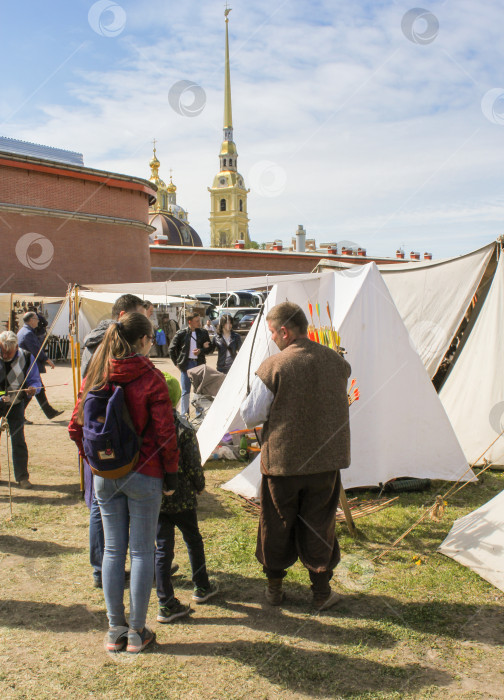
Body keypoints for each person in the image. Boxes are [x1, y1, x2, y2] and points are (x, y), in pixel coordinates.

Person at [68, 313, 179, 654]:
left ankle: (114, 629)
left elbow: (75, 426)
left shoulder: (97, 373)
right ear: (146, 340)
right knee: (143, 550)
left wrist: (95, 462)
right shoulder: (152, 378)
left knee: (114, 550)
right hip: (145, 473)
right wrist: (171, 474)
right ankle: (136, 631)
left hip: (106, 475)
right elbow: (165, 433)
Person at [240, 302, 351, 610]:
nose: (273, 338)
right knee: (320, 524)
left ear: (285, 331)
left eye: (273, 333)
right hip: (325, 463)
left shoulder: (275, 365)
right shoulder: (337, 362)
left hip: (284, 464)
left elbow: (250, 416)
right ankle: (321, 593)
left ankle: (274, 591)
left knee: (276, 524)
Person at [79, 293, 148, 590]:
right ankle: (103, 569)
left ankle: (109, 568)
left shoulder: (99, 342)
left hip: (100, 435)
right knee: (102, 505)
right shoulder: (106, 347)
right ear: (123, 317)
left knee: (106, 504)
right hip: (109, 435)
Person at [155, 374, 218, 624]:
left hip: (158, 499)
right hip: (182, 498)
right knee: (193, 540)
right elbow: (193, 463)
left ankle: (164, 601)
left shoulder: (148, 427)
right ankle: (201, 586)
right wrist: (199, 485)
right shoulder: (183, 428)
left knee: (163, 549)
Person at [0, 331, 42, 488]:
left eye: (8, 352)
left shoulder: (26, 356)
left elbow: (35, 381)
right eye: (2, 351)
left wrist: (33, 389)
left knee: (18, 441)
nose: (5, 355)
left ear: (16, 347)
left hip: (16, 404)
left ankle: (22, 477)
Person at [17, 312, 62, 421]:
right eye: (36, 319)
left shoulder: (24, 331)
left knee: (39, 389)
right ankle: (19, 416)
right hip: (27, 367)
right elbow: (36, 350)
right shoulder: (27, 333)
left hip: (27, 366)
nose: (38, 321)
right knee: (31, 390)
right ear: (31, 320)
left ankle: (49, 412)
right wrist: (47, 360)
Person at [168, 312, 212, 417]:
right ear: (189, 322)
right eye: (196, 321)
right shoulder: (181, 333)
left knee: (199, 390)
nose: (199, 323)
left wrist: (201, 350)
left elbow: (211, 348)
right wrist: (176, 364)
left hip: (199, 364)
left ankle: (199, 413)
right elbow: (171, 349)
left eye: (199, 320)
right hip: (186, 364)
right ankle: (184, 414)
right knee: (185, 391)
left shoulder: (203, 333)